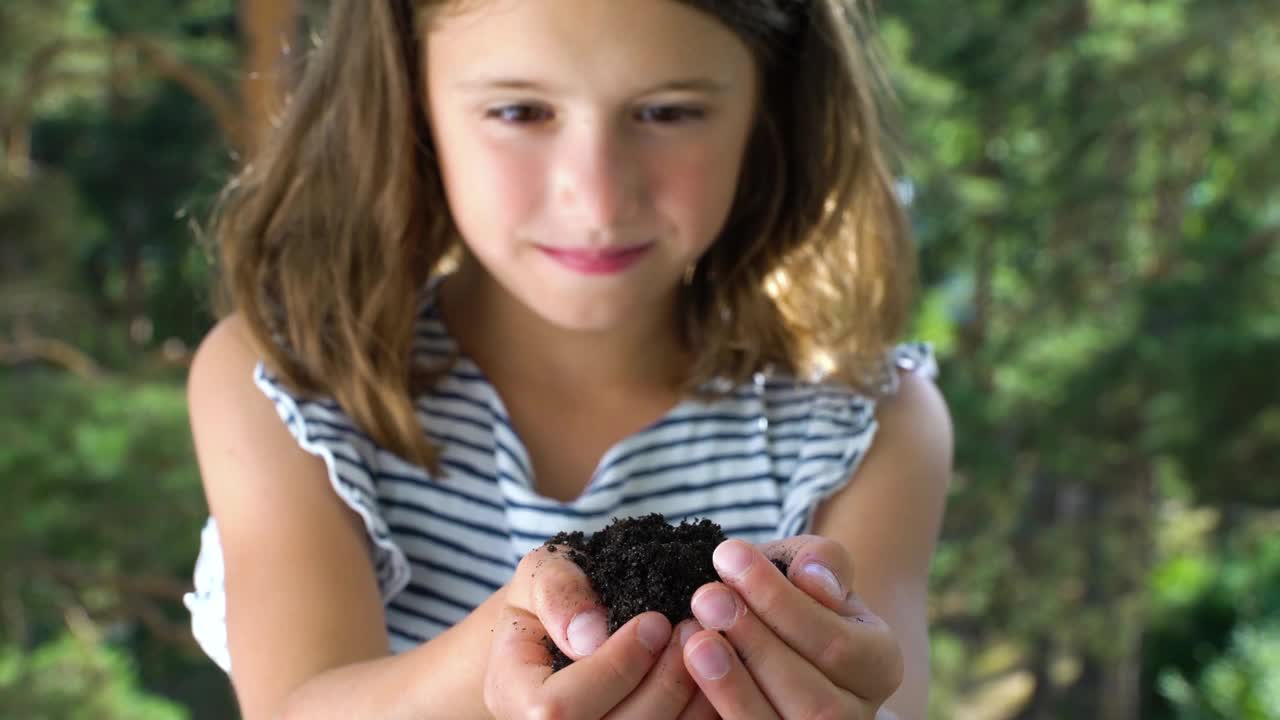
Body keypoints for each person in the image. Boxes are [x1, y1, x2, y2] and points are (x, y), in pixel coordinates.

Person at [183, 0, 952, 718]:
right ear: (410, 102)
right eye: (520, 111)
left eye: (667, 112)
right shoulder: (288, 380)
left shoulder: (871, 423)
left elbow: (879, 695)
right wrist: (516, 641)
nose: (597, 199)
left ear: (769, 110)